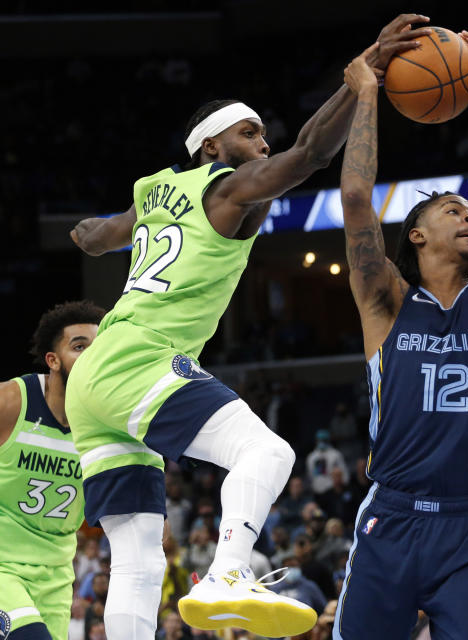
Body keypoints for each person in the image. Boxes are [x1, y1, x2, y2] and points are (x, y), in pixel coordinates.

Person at [65, 15, 429, 639]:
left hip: (91, 376)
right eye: (250, 131)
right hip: (142, 357)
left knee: (138, 555)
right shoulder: (228, 190)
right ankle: (228, 570)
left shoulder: (155, 189)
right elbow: (311, 154)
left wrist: (85, 234)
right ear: (211, 147)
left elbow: (98, 238)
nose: (264, 141)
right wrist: (358, 78)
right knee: (267, 451)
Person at [332, 25, 468, 640]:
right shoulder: (386, 300)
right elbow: (354, 198)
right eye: (453, 211)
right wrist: (368, 94)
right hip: (390, 517)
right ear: (417, 236)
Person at [0, 301, 103, 640]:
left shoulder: (108, 423)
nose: (92, 355)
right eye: (79, 346)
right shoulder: (12, 401)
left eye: (99, 347)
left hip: (57, 574)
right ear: (52, 360)